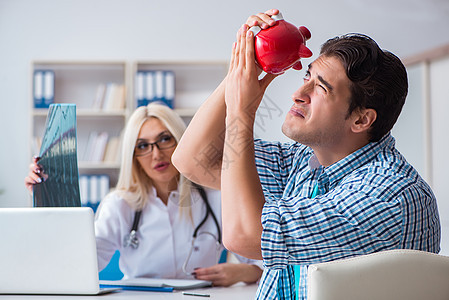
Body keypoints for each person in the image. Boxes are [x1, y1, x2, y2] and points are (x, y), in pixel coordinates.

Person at [171, 8, 441, 300]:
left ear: (361, 120)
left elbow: (244, 236)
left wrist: (242, 111)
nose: (299, 93)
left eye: (321, 89)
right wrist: (242, 69)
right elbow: (192, 160)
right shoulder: (303, 162)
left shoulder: (388, 195)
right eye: (308, 76)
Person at [25, 102, 263, 287]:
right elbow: (76, 266)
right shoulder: (119, 205)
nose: (156, 154)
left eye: (165, 139)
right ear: (133, 157)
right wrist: (47, 202)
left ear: (182, 141)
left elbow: (265, 260)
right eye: (142, 146)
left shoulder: (216, 197)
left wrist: (246, 272)